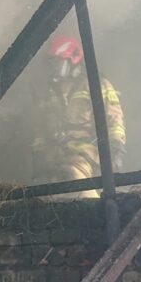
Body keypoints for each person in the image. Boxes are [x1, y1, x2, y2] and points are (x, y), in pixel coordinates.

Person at [31, 35, 126, 198]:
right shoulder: (50, 93)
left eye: (59, 64)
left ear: (74, 60)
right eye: (53, 65)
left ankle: (94, 208)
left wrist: (115, 146)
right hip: (56, 155)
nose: (56, 70)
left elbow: (114, 118)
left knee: (73, 176)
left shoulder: (96, 85)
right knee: (46, 192)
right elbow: (41, 127)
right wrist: (39, 153)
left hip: (87, 152)